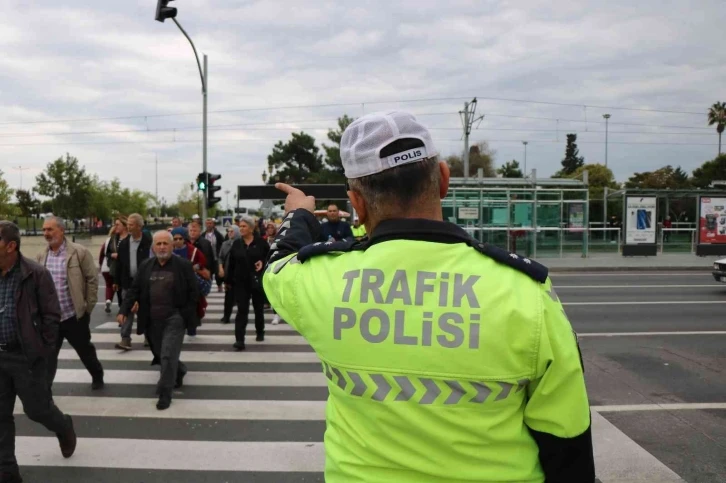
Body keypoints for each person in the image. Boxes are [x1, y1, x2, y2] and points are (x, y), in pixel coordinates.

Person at [263, 111, 594, 483]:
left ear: (357, 202)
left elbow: (277, 267)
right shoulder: (526, 292)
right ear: (443, 180)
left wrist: (299, 216)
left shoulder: (324, 281)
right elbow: (568, 444)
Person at [0, 221, 77, 482]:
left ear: (11, 246)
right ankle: (8, 472)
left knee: (37, 410)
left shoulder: (35, 274)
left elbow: (51, 317)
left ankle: (63, 426)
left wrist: (41, 349)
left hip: (26, 357)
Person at [117, 231, 199, 410]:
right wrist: (124, 310)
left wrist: (185, 314)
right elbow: (134, 289)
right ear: (153, 247)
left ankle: (165, 393)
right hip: (152, 319)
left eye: (165, 243)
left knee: (168, 354)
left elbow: (195, 292)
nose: (162, 247)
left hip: (175, 318)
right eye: (158, 244)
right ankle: (180, 370)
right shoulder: (146, 265)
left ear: (172, 246)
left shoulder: (183, 265)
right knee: (160, 354)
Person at [36, 217, 104, 390]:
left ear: (62, 230)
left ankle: (97, 374)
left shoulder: (79, 252)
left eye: (50, 229)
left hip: (73, 316)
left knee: (85, 351)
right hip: (51, 319)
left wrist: (87, 308)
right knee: (48, 356)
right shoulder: (41, 256)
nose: (46, 234)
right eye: (44, 230)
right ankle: (45, 392)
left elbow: (92, 280)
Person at [227, 216, 269, 350]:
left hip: (256, 282)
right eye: (240, 226)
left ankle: (260, 331)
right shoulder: (237, 244)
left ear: (251, 228)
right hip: (241, 282)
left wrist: (263, 262)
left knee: (258, 309)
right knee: (242, 310)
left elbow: (270, 259)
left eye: (244, 226)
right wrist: (228, 281)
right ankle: (239, 340)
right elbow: (231, 263)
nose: (241, 228)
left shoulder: (261, 243)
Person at [113, 213, 152, 351]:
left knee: (146, 309)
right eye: (128, 224)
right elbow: (119, 264)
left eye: (131, 224)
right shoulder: (124, 243)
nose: (128, 227)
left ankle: (149, 336)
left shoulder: (148, 241)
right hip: (127, 282)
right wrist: (116, 280)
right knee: (127, 308)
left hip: (146, 282)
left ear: (139, 226)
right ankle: (125, 338)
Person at [171, 227, 210, 338]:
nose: (178, 241)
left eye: (180, 238)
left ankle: (192, 328)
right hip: (175, 285)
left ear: (184, 239)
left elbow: (202, 261)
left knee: (192, 308)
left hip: (190, 285)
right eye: (175, 238)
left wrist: (194, 267)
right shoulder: (169, 250)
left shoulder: (193, 250)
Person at [186, 222, 214, 338]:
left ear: (199, 231)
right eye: (190, 231)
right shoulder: (184, 243)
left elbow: (208, 261)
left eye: (195, 230)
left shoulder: (205, 243)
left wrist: (203, 271)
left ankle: (193, 325)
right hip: (186, 277)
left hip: (199, 276)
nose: (192, 233)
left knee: (196, 301)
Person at [218, 225, 240, 324]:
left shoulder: (241, 244)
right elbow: (220, 257)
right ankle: (226, 316)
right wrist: (220, 268)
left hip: (239, 275)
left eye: (232, 231)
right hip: (228, 276)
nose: (230, 233)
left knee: (240, 297)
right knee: (228, 297)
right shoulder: (225, 244)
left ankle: (241, 317)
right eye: (228, 231)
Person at [105, 215, 128, 310]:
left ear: (124, 225)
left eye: (118, 224)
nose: (115, 227)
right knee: (119, 292)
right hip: (116, 270)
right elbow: (107, 253)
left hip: (128, 270)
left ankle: (127, 312)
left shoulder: (130, 238)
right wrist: (112, 255)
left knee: (128, 293)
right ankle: (122, 313)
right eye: (115, 225)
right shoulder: (114, 238)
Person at [204, 218, 224, 292]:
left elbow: (223, 243)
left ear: (213, 224)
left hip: (216, 256)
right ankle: (208, 286)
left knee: (218, 273)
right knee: (209, 272)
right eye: (207, 223)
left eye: (210, 223)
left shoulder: (218, 235)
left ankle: (219, 285)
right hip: (208, 258)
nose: (209, 225)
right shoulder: (203, 235)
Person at [99, 226, 116, 314]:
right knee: (116, 285)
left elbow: (101, 254)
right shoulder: (118, 241)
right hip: (114, 267)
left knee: (108, 285)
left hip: (105, 267)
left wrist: (100, 264)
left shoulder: (106, 241)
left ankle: (108, 300)